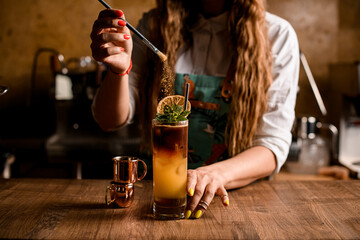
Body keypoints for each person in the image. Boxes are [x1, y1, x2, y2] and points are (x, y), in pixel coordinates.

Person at [90, 0, 299, 219]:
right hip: (154, 199)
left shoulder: (277, 35)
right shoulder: (153, 26)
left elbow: (272, 145)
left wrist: (216, 173)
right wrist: (119, 71)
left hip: (234, 205)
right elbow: (109, 120)